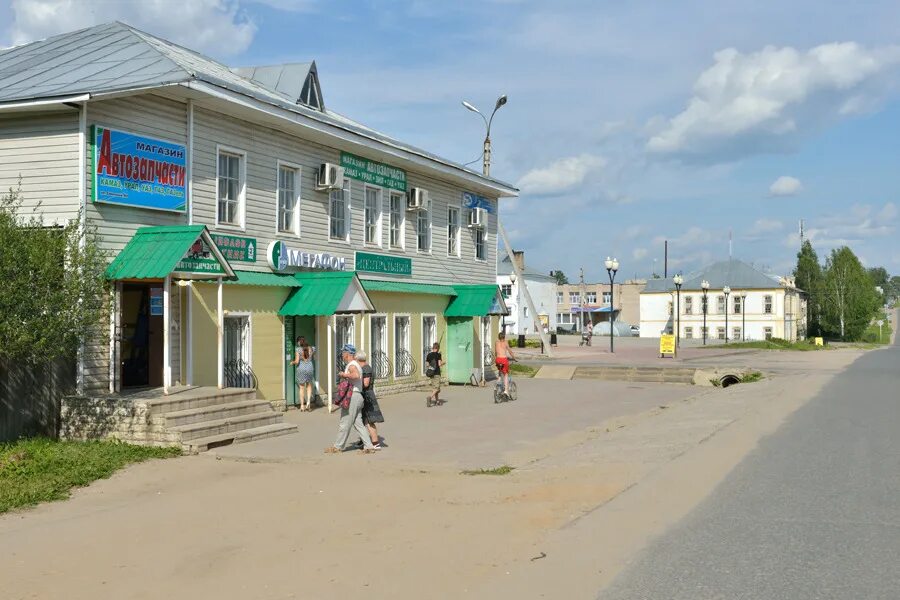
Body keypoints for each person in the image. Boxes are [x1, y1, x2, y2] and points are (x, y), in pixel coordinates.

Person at [325, 345, 376, 454]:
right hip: (358, 396)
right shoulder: (356, 364)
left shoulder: (352, 364)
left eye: (343, 352)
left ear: (348, 353)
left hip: (352, 397)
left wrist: (344, 374)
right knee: (358, 423)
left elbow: (356, 375)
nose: (342, 355)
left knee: (344, 422)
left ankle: (338, 447)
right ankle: (369, 446)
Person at [356, 351, 384, 449]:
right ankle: (363, 440)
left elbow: (366, 383)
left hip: (367, 396)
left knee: (369, 420)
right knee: (363, 420)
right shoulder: (364, 367)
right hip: (366, 395)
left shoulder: (366, 368)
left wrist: (356, 385)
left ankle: (375, 443)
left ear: (358, 359)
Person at [289, 336, 316, 411]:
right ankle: (308, 403)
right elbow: (314, 355)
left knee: (301, 387)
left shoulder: (298, 349)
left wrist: (292, 362)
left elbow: (297, 361)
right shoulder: (311, 348)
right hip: (310, 368)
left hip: (301, 369)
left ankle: (302, 406)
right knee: (309, 386)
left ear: (299, 342)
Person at [494, 332, 515, 397]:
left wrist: (496, 358)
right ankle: (506, 391)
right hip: (503, 360)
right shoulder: (505, 342)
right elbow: (510, 351)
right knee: (506, 374)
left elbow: (495, 352)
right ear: (504, 337)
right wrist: (514, 358)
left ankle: (496, 385)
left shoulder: (496, 342)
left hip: (498, 359)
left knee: (500, 372)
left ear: (499, 337)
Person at [425, 342, 445, 407]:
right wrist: (444, 362)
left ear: (433, 348)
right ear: (438, 348)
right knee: (437, 388)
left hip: (431, 373)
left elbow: (427, 365)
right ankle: (430, 398)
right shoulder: (438, 355)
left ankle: (437, 401)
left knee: (435, 388)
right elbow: (439, 364)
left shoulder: (429, 355)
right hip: (437, 373)